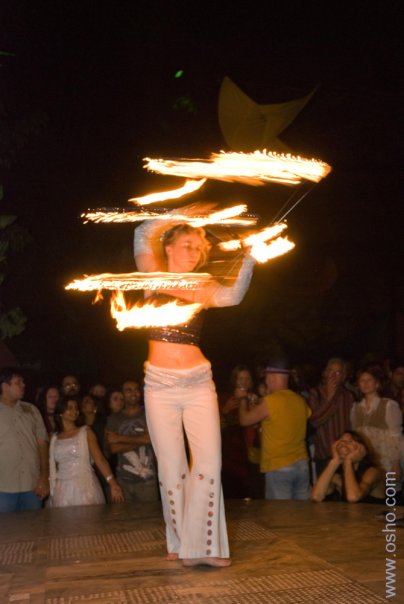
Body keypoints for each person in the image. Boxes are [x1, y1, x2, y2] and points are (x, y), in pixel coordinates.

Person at [134, 212, 255, 567]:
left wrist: (249, 256)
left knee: (208, 464)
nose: (194, 252)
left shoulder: (202, 287)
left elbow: (234, 295)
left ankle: (203, 547)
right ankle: (180, 542)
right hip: (159, 385)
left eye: (199, 248)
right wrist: (186, 214)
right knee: (171, 469)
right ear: (168, 247)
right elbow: (143, 229)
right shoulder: (152, 275)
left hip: (199, 383)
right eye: (187, 244)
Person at [239, 359, 312, 500]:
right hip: (302, 465)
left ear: (271, 378)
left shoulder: (271, 401)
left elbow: (244, 420)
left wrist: (242, 399)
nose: (266, 381)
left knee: (279, 512)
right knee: (302, 512)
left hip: (279, 467)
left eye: (267, 378)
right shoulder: (300, 400)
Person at [48, 396, 124, 507]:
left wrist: (112, 483)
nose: (74, 411)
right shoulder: (54, 438)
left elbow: (99, 458)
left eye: (76, 408)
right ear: (61, 412)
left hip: (84, 484)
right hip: (62, 487)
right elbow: (54, 465)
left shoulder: (85, 432)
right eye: (69, 408)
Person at [0, 367, 50, 512]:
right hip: (3, 487)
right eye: (18, 382)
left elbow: (42, 445)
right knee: (6, 526)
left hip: (32, 485)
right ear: (5, 386)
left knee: (33, 525)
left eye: (23, 382)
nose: (23, 385)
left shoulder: (32, 410)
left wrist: (44, 477)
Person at [351, 365, 403, 498]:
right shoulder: (355, 407)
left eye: (369, 380)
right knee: (368, 494)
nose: (366, 383)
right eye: (362, 380)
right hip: (366, 458)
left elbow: (396, 436)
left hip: (386, 459)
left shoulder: (389, 405)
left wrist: (396, 463)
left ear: (377, 383)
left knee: (390, 496)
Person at [105, 380, 158, 503]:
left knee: (149, 514)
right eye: (128, 390)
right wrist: (143, 439)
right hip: (123, 480)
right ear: (122, 394)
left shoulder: (149, 413)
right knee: (124, 515)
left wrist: (119, 438)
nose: (133, 393)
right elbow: (113, 448)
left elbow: (150, 439)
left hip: (147, 480)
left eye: (136, 389)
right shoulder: (114, 418)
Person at [308, 357, 355, 479]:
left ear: (343, 376)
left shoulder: (348, 396)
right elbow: (314, 421)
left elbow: (351, 425)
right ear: (325, 373)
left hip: (345, 454)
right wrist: (329, 398)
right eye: (330, 371)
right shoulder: (315, 393)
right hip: (324, 455)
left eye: (338, 372)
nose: (333, 375)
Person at [220, 365, 262, 498]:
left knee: (254, 493)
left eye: (247, 378)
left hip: (253, 455)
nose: (244, 382)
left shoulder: (256, 399)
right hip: (230, 457)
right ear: (234, 380)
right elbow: (215, 426)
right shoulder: (225, 399)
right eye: (240, 378)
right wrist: (224, 411)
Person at [311, 430, 384, 503]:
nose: (343, 444)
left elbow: (353, 497)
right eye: (340, 441)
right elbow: (316, 497)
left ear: (362, 449)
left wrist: (348, 461)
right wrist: (335, 461)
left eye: (349, 442)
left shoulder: (373, 471)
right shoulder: (337, 474)